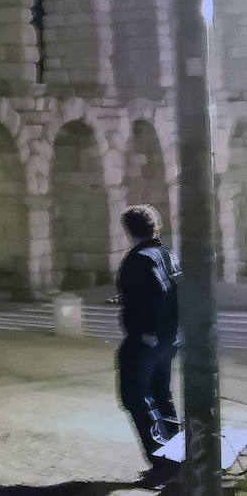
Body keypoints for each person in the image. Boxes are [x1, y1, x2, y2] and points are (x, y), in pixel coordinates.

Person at [114, 203, 182, 481]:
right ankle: (177, 457)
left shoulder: (139, 259)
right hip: (169, 338)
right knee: (161, 395)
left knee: (135, 396)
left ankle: (162, 461)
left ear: (128, 230)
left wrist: (147, 330)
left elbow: (159, 291)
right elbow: (174, 291)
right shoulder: (166, 253)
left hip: (148, 339)